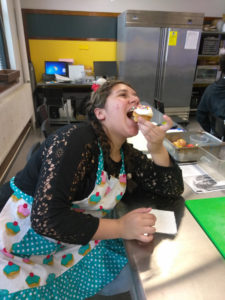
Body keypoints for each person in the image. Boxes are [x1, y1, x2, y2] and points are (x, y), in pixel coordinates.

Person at [0, 80, 184, 299]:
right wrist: (120, 226)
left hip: (61, 241)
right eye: (123, 95)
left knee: (127, 266)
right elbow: (45, 219)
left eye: (135, 95)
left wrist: (157, 147)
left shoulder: (124, 153)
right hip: (14, 240)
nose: (135, 99)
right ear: (100, 113)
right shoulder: (74, 140)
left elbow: (170, 189)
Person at [197, 53, 225, 133]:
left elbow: (200, 115)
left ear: (220, 68)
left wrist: (210, 131)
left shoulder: (211, 89)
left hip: (219, 135)